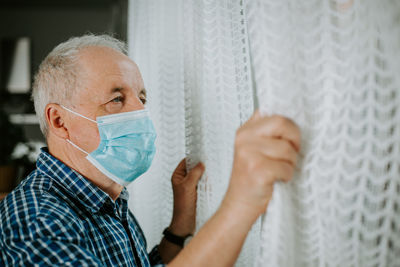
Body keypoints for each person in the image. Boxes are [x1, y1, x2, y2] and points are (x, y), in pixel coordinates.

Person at [0, 34, 301, 266]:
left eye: (141, 98)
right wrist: (241, 203)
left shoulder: (108, 200)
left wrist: (181, 221)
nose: (140, 112)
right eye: (117, 99)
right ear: (59, 121)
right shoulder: (35, 218)